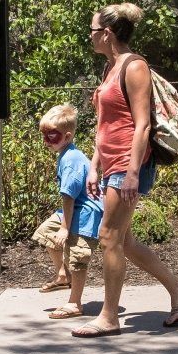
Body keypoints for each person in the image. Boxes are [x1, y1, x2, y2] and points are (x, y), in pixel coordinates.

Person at [75, 3, 178, 336]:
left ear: (106, 33)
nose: (89, 36)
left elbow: (142, 125)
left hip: (131, 165)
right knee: (124, 242)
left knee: (109, 238)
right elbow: (106, 124)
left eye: (91, 30)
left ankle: (109, 317)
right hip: (111, 164)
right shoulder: (109, 68)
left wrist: (130, 173)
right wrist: (93, 166)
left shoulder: (134, 67)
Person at [36, 103, 105, 319]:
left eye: (52, 136)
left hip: (85, 214)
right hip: (72, 209)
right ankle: (62, 275)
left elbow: (69, 196)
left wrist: (65, 228)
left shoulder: (71, 159)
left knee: (77, 258)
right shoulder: (65, 154)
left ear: (67, 136)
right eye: (44, 135)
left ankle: (75, 302)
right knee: (45, 233)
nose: (46, 141)